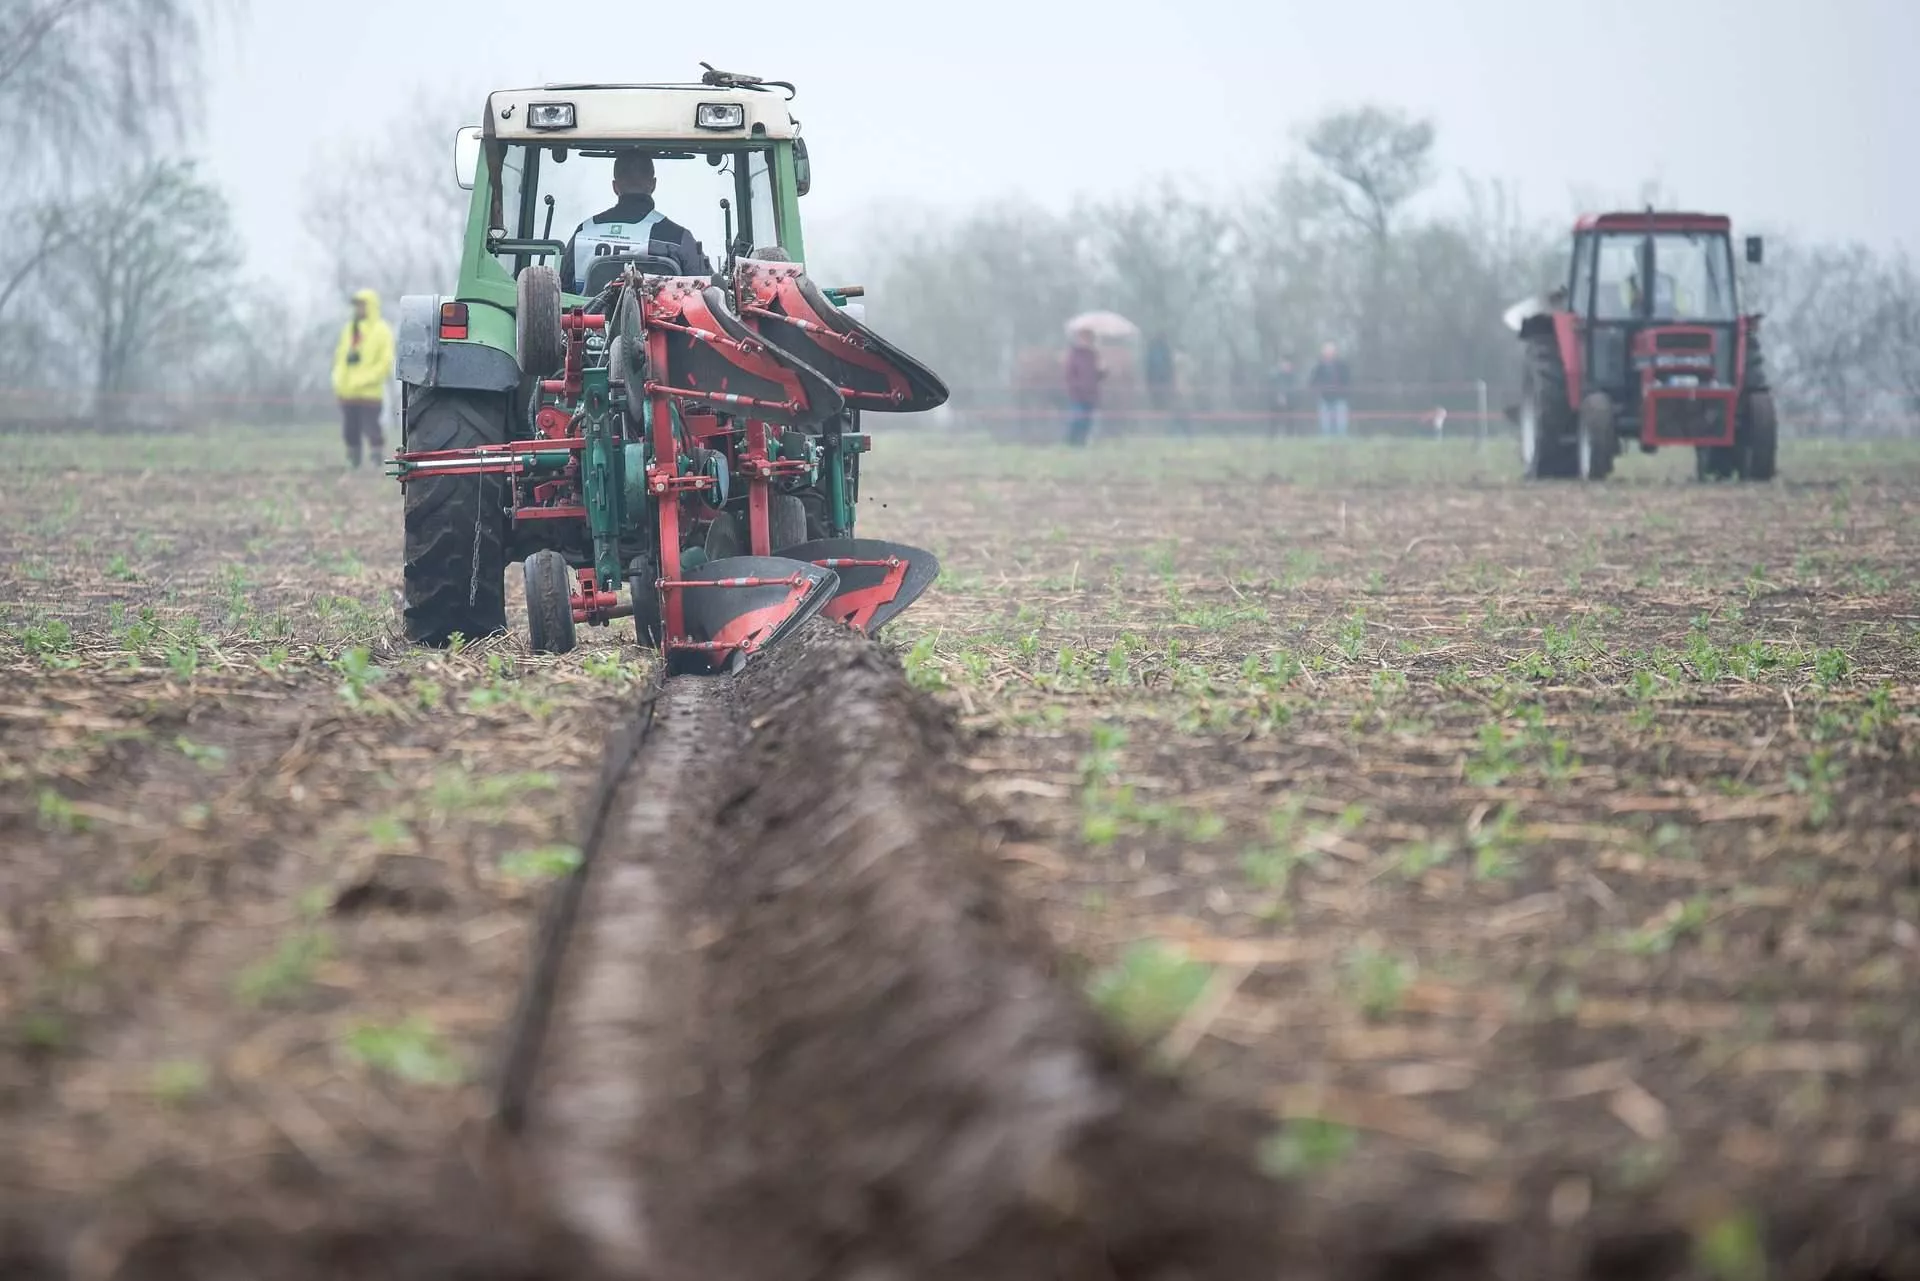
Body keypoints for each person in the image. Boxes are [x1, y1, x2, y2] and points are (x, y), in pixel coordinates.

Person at [559, 152, 708, 293]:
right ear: (653, 184)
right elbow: (705, 290)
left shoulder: (583, 233)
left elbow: (560, 292)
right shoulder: (677, 239)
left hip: (587, 318)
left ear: (615, 187)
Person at [330, 289, 393, 470]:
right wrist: (338, 380)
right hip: (348, 391)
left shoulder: (382, 330)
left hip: (370, 392)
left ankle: (376, 460)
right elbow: (340, 356)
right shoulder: (349, 329)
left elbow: (385, 362)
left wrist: (367, 379)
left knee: (372, 428)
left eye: (361, 305)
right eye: (356, 305)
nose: (358, 309)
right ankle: (353, 461)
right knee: (350, 430)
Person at [1064, 327, 1105, 446]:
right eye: (1084, 337)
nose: (1086, 341)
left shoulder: (1093, 355)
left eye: (1089, 338)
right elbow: (1069, 374)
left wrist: (1102, 370)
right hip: (1077, 394)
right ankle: (1072, 442)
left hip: (1091, 394)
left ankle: (1082, 442)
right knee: (1077, 419)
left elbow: (1098, 377)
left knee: (1088, 421)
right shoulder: (1073, 354)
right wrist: (1076, 387)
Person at [1309, 341, 1351, 439]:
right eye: (1327, 352)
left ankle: (1341, 442)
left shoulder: (1342, 366)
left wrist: (1343, 390)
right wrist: (1318, 389)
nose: (1329, 354)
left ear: (1335, 353)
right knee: (1325, 424)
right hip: (1324, 398)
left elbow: (1347, 380)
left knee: (1341, 423)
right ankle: (1327, 443)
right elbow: (1313, 381)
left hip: (1340, 398)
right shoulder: (1319, 367)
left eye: (1331, 351)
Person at [1143, 331, 1181, 433]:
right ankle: (1159, 427)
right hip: (1158, 382)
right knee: (1158, 405)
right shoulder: (1157, 350)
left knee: (1162, 405)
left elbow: (1168, 366)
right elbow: (1151, 367)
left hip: (1161, 382)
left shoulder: (1163, 349)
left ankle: (1162, 427)